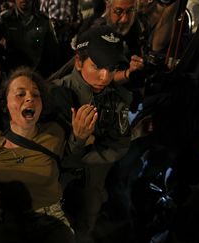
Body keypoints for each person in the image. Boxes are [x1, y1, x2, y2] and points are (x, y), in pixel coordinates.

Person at [0, 66, 97, 242]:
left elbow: (76, 152)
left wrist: (80, 136)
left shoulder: (55, 132)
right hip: (8, 222)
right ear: (5, 103)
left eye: (36, 95)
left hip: (51, 219)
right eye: (20, 94)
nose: (29, 98)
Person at [50, 25, 132, 243]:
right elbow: (49, 152)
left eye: (112, 67)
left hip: (93, 183)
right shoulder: (56, 95)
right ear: (78, 62)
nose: (105, 76)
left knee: (87, 223)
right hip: (56, 186)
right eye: (96, 66)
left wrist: (83, 152)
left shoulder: (116, 100)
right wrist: (80, 141)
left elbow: (120, 145)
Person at [0, 0, 61, 81]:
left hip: (37, 76)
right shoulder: (6, 19)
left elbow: (53, 51)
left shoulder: (43, 20)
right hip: (12, 76)